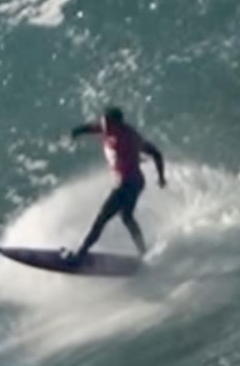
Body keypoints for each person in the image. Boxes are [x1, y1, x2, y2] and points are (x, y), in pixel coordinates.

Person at [66, 106, 166, 261]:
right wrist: (77, 131)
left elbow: (156, 153)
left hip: (129, 184)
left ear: (116, 123)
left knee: (102, 218)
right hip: (132, 182)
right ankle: (144, 253)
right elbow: (92, 127)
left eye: (107, 122)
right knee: (126, 217)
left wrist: (161, 177)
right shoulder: (107, 127)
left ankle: (80, 255)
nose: (103, 124)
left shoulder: (129, 137)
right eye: (103, 121)